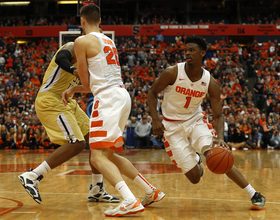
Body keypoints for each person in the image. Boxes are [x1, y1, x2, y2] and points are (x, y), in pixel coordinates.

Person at [62, 4, 165, 217]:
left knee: (96, 158)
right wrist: (74, 89)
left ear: (82, 21)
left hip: (107, 98)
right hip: (121, 95)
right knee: (110, 155)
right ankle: (150, 191)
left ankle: (129, 200)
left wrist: (72, 87)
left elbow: (87, 83)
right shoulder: (108, 40)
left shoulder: (81, 41)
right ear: (99, 20)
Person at [148, 35, 266, 210]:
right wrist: (155, 119)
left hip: (195, 121)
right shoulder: (172, 72)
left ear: (202, 53)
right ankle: (196, 159)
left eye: (192, 50)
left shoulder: (210, 82)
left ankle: (254, 194)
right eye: (186, 50)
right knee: (195, 178)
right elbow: (152, 93)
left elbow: (218, 116)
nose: (187, 53)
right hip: (171, 127)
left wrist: (219, 138)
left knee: (218, 155)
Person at [18, 30, 119, 204]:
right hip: (50, 100)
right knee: (77, 143)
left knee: (96, 142)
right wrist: (74, 71)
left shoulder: (91, 59)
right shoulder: (72, 47)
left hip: (68, 101)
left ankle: (97, 189)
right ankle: (33, 175)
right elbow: (61, 58)